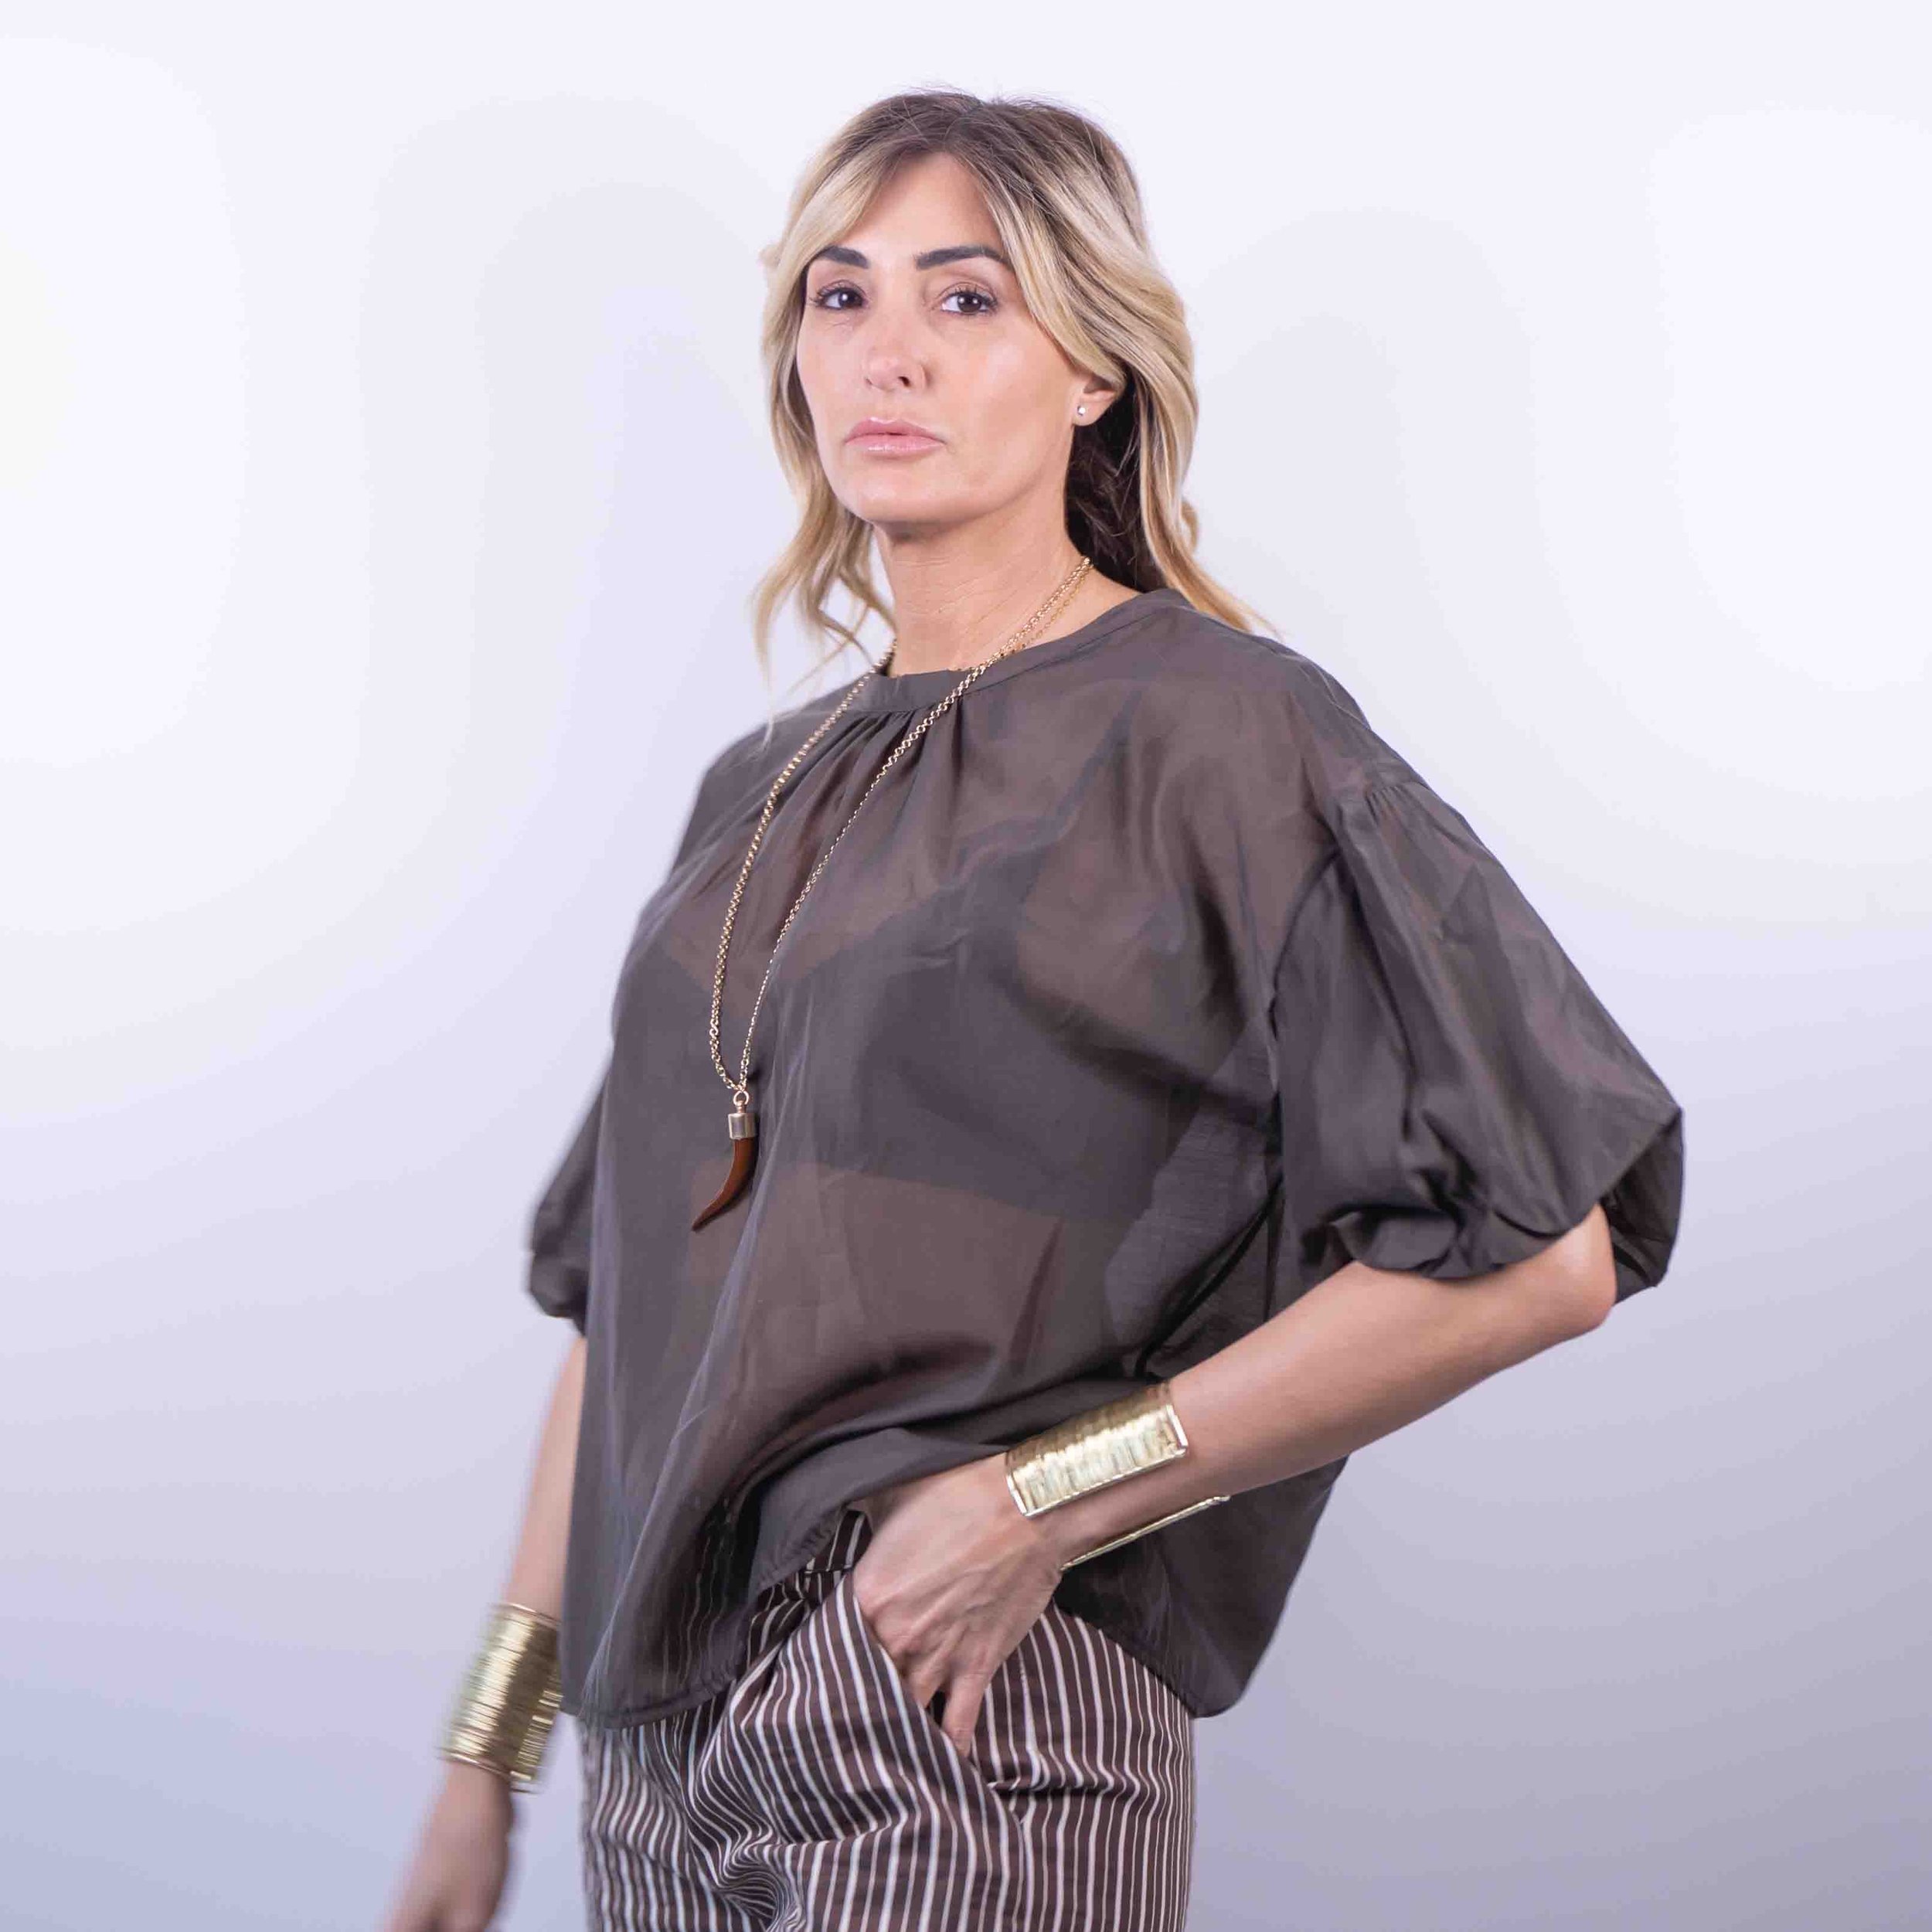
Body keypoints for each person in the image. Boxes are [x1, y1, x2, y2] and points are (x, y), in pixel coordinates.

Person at [383, 87, 1685, 1932]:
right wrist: (484, 1760)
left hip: (954, 1706)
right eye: (840, 296)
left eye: (965, 297)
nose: (888, 351)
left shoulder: (1220, 730)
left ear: (1092, 367)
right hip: (653, 1766)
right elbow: (626, 1321)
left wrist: (1039, 1500)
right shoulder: (752, 791)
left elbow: (1542, 1253)